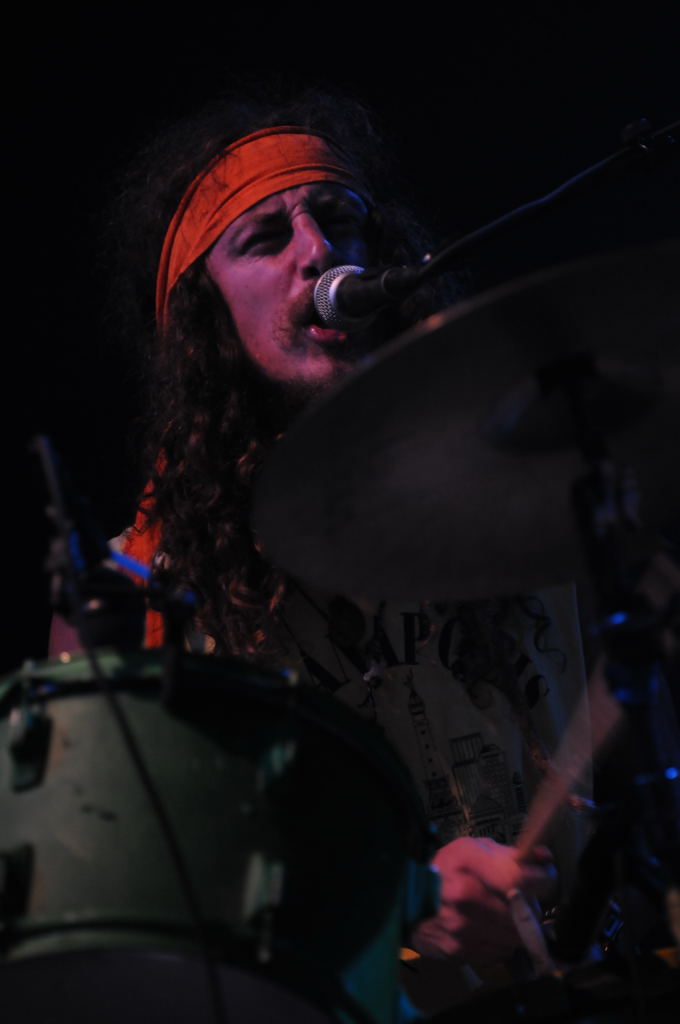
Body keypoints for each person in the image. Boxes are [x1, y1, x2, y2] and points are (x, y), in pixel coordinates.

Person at [49, 88, 592, 1013]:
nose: (319, 251)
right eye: (265, 239)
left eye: (339, 220)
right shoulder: (131, 596)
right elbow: (127, 913)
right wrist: (399, 899)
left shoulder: (529, 505)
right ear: (203, 317)